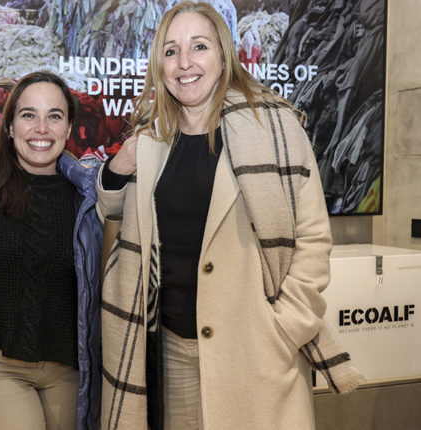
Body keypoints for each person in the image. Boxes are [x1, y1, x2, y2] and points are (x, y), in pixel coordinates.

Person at [97, 2, 364, 429]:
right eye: (171, 51)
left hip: (256, 352)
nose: (184, 62)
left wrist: (284, 329)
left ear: (224, 55)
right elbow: (116, 218)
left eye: (199, 46)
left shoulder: (276, 129)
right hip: (172, 354)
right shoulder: (152, 136)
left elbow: (313, 239)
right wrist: (116, 169)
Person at [0, 71, 102, 430]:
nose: (41, 128)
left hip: (70, 369)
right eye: (28, 115)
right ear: (9, 126)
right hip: (2, 367)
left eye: (54, 116)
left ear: (69, 128)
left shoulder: (88, 199)